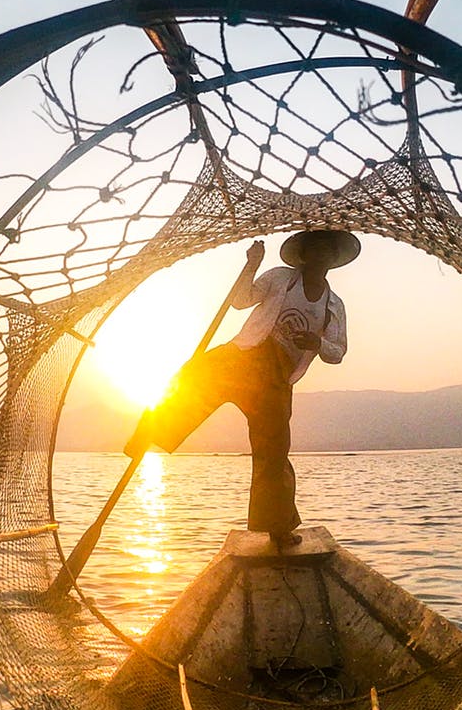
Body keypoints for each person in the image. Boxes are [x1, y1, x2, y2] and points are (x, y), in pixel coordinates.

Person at [127, 229, 358, 545]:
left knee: (273, 452)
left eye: (326, 252)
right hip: (245, 356)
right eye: (314, 250)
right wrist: (252, 263)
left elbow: (338, 352)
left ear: (332, 259)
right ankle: (148, 435)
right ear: (304, 255)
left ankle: (278, 527)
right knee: (193, 376)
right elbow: (240, 300)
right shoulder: (280, 278)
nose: (320, 257)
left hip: (278, 378)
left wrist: (317, 342)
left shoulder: (334, 305)